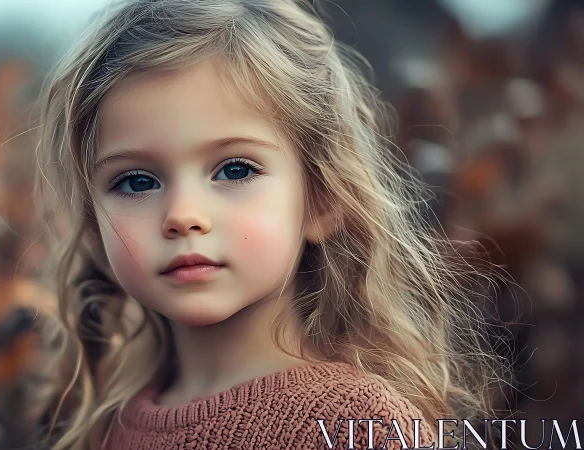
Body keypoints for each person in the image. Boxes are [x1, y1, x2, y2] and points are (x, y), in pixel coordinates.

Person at [30, 0, 508, 448]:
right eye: (136, 182)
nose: (182, 215)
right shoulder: (109, 426)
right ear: (95, 222)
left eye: (235, 170)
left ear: (320, 199)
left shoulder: (359, 426)